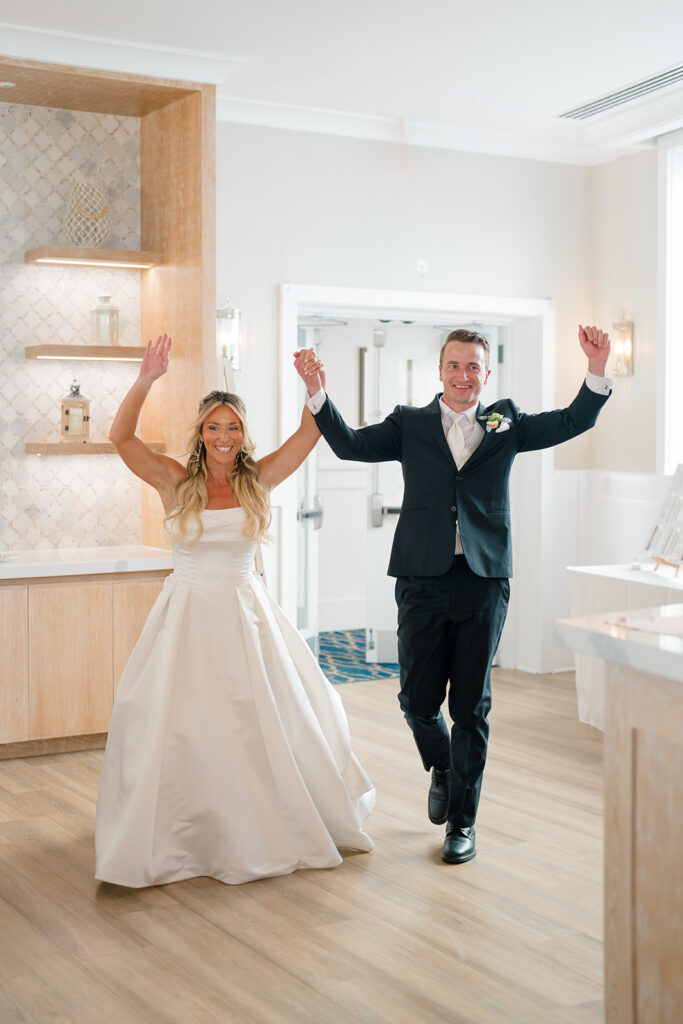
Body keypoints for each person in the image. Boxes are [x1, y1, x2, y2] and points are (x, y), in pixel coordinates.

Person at [294, 324, 611, 865]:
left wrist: (597, 368)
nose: (463, 377)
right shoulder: (409, 424)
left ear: (485, 375)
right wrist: (317, 390)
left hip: (484, 580)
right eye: (454, 366)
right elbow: (348, 446)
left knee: (471, 705)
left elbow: (573, 420)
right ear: (439, 371)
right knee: (416, 701)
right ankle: (442, 763)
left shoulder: (506, 422)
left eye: (473, 368)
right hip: (421, 577)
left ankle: (462, 823)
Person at [95, 334, 374, 887]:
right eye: (213, 427)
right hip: (187, 619)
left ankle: (261, 824)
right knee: (182, 725)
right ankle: (184, 831)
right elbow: (121, 437)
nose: (224, 437)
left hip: (248, 617)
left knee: (259, 720)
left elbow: (309, 432)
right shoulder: (174, 480)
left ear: (244, 434)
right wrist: (147, 378)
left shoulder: (259, 479)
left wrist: (316, 385)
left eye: (233, 426)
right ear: (200, 434)